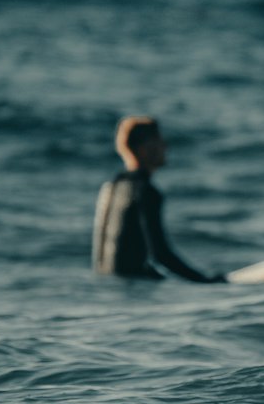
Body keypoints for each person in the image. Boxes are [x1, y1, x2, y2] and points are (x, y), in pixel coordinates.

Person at [92, 117, 226, 282]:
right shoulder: (145, 191)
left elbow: (101, 259)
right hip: (134, 291)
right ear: (145, 148)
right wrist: (205, 281)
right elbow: (160, 254)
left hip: (106, 288)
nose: (165, 146)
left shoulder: (110, 187)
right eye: (159, 141)